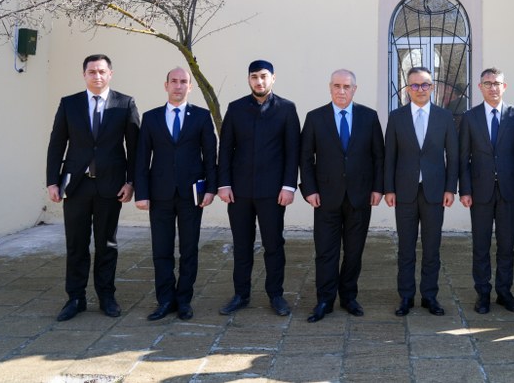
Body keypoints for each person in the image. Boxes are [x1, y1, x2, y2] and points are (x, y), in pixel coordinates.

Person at [46, 53, 140, 321]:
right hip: (76, 186)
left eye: (101, 71)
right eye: (91, 72)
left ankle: (106, 296)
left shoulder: (125, 104)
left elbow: (134, 148)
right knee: (76, 244)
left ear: (110, 74)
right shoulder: (69, 104)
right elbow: (57, 143)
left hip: (111, 187)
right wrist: (52, 181)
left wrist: (131, 182)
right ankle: (75, 298)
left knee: (106, 244)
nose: (97, 76)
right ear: (84, 75)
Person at [299, 69, 385, 323]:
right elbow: (305, 157)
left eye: (347, 86)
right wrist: (309, 190)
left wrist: (377, 188)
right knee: (326, 251)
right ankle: (324, 300)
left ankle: (348, 297)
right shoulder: (315, 118)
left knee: (354, 251)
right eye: (337, 86)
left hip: (360, 197)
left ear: (354, 89)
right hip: (325, 197)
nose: (341, 91)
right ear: (330, 88)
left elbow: (379, 157)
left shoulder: (369, 117)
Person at [217, 60, 300, 317]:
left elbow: (293, 152)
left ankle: (276, 295)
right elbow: (225, 149)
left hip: (273, 192)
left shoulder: (286, 109)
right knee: (242, 245)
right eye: (254, 77)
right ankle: (241, 294)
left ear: (273, 78)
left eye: (264, 76)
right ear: (249, 80)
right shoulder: (236, 108)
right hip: (239, 191)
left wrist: (289, 186)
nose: (259, 81)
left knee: (273, 245)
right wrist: (224, 184)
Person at [134, 67, 218, 321]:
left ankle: (184, 300)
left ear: (189, 87)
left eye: (183, 82)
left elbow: (210, 156)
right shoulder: (151, 118)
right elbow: (141, 158)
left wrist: (211, 189)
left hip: (191, 195)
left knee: (189, 249)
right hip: (160, 194)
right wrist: (141, 193)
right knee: (161, 249)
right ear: (166, 85)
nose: (178, 86)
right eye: (174, 81)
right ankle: (165, 300)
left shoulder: (201, 117)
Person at [384, 66, 459, 317]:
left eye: (425, 84)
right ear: (408, 89)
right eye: (415, 85)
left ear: (432, 87)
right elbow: (389, 156)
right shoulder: (396, 117)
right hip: (404, 192)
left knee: (432, 248)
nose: (420, 89)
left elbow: (453, 156)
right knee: (405, 249)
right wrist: (388, 189)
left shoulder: (444, 117)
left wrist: (450, 188)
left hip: (435, 192)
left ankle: (430, 296)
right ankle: (406, 297)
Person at [459, 68, 514, 314]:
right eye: (487, 83)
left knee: (506, 245)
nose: (492, 88)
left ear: (504, 86)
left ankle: (504, 292)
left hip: (509, 191)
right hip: (480, 192)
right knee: (481, 246)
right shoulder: (470, 117)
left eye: (497, 83)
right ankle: (483, 294)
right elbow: (463, 157)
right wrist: (465, 190)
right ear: (480, 87)